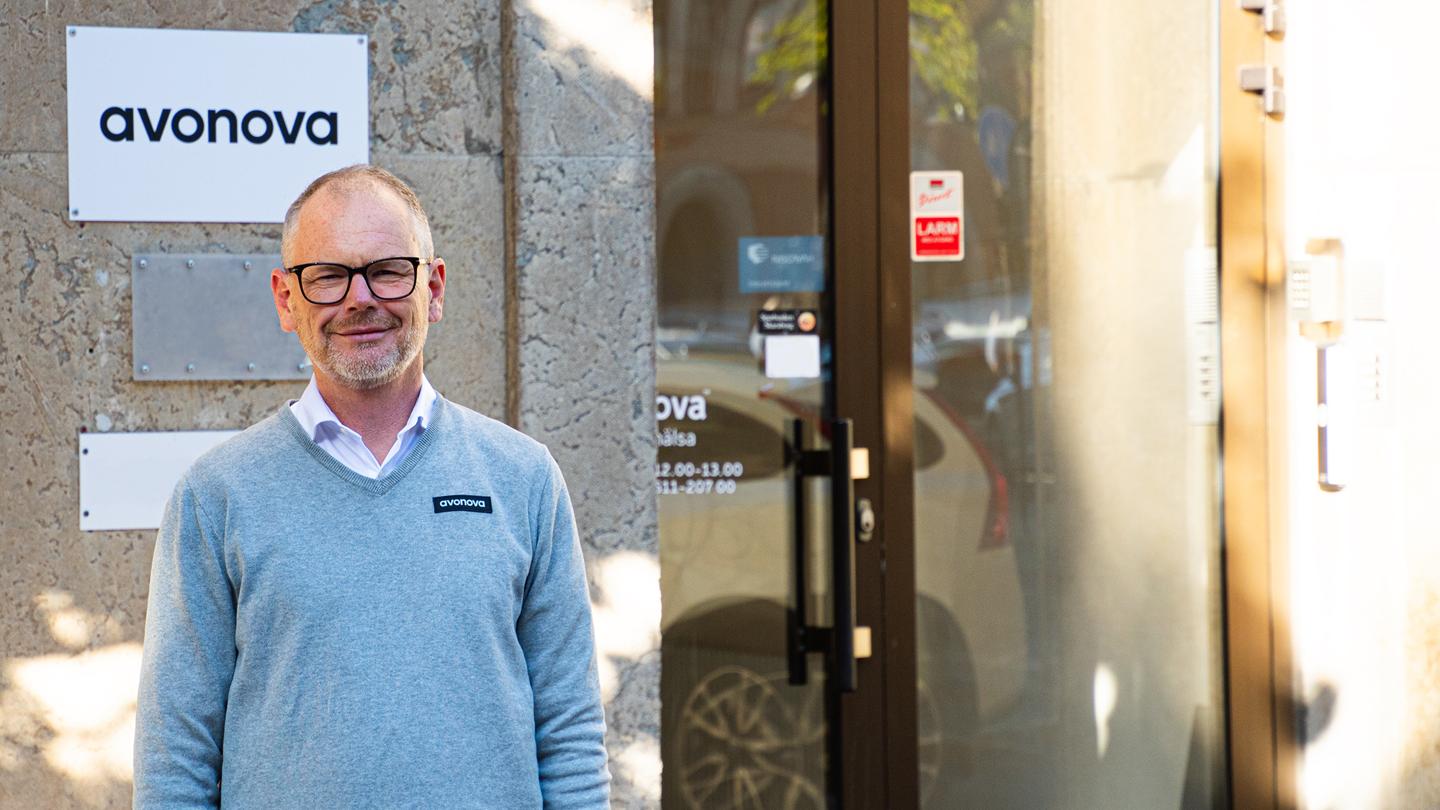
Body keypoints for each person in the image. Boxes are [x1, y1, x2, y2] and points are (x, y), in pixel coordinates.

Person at [133, 165, 610, 809]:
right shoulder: (216, 495)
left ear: (433, 288)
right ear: (285, 299)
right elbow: (175, 759)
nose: (360, 298)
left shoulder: (523, 478)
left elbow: (571, 735)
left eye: (388, 270)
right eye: (327, 276)